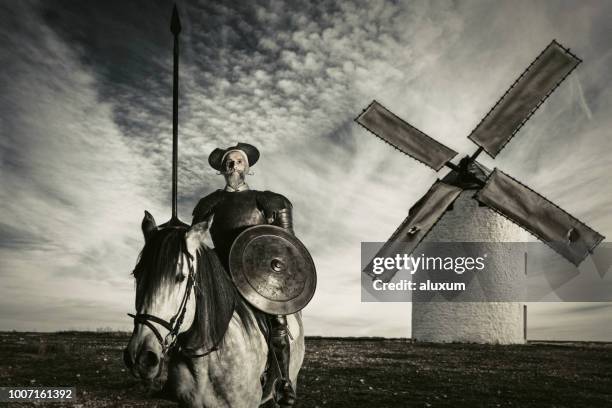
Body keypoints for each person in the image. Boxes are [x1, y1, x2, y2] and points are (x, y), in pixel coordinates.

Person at [191, 142, 296, 407]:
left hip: (259, 276)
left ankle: (283, 381)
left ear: (246, 168)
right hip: (221, 272)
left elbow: (287, 243)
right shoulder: (209, 203)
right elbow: (195, 239)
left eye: (238, 161)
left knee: (277, 323)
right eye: (228, 161)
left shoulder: (269, 200)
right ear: (222, 170)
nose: (232, 164)